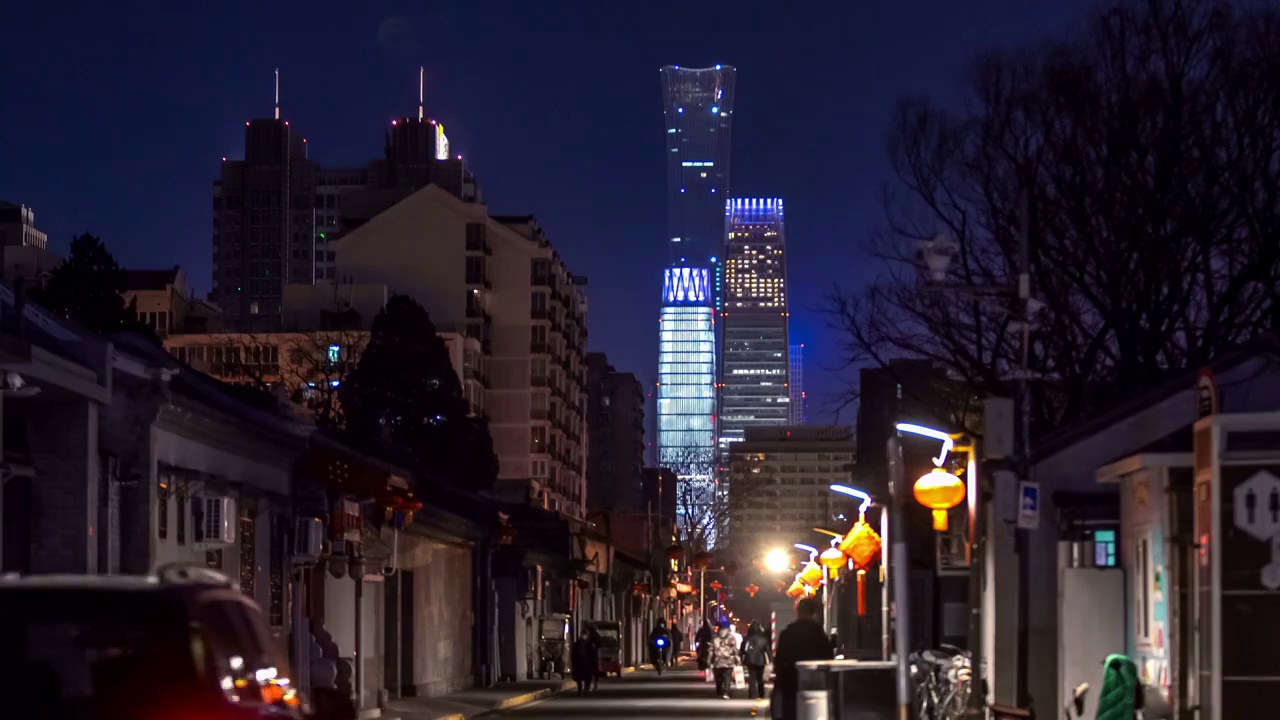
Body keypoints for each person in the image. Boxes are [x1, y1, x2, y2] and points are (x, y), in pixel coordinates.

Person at [773, 598, 834, 720]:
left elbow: (779, 660)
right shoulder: (819, 634)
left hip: (790, 683)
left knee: (790, 713)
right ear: (814, 613)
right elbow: (828, 657)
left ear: (798, 612)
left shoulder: (788, 632)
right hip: (815, 683)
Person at [740, 620, 772, 700]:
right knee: (760, 678)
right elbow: (768, 651)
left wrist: (741, 659)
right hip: (760, 661)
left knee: (752, 678)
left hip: (749, 660)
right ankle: (761, 694)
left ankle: (752, 694)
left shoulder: (746, 639)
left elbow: (742, 650)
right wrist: (771, 660)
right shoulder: (763, 639)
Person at [708, 620, 740, 699]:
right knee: (727, 677)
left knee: (718, 677)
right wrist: (738, 660)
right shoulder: (731, 638)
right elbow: (735, 650)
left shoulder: (715, 639)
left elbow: (711, 651)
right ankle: (726, 692)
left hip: (717, 661)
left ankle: (719, 691)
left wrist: (709, 661)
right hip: (729, 661)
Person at [571, 630, 597, 696]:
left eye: (585, 635)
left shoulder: (590, 645)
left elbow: (594, 655)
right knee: (578, 677)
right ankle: (580, 689)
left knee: (587, 677)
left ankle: (586, 688)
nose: (584, 636)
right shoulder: (577, 644)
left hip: (587, 664)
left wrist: (594, 665)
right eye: (583, 634)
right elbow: (573, 654)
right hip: (579, 663)